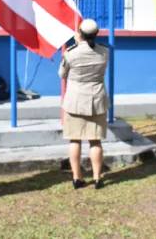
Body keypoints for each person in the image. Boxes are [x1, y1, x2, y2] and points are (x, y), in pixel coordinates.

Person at [58, 19, 109, 190]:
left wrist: (77, 43)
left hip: (75, 101)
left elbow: (62, 74)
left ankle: (76, 177)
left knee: (75, 139)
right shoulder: (104, 52)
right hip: (96, 100)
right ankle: (96, 178)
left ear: (80, 32)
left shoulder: (71, 53)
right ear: (96, 34)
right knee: (95, 141)